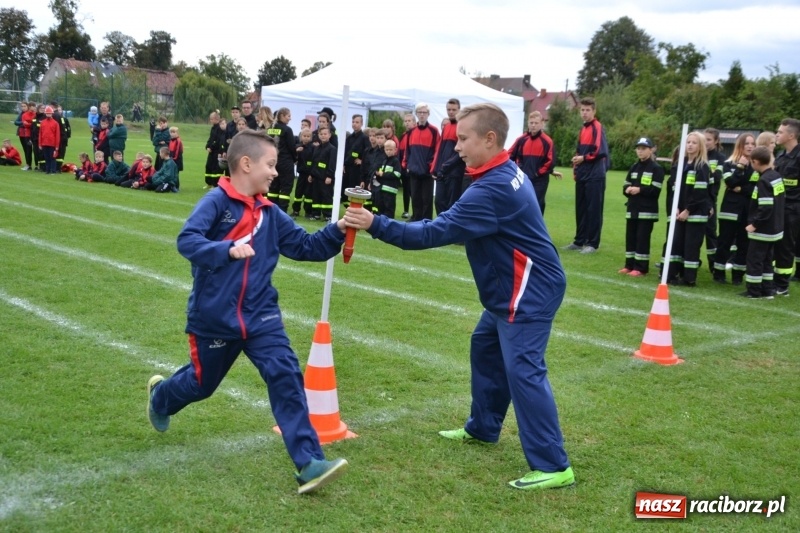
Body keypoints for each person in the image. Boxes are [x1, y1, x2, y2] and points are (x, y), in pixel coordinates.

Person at [343, 103, 574, 491]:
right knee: (485, 347)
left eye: (463, 139)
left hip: (527, 290)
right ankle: (483, 428)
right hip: (513, 289)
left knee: (524, 371)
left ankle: (553, 465)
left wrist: (375, 222)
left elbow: (432, 233)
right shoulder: (499, 170)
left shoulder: (494, 188)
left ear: (490, 139)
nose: (456, 148)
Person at [146, 129, 349, 495]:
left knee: (285, 374)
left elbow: (306, 246)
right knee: (201, 384)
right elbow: (187, 240)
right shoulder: (216, 203)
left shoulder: (270, 213)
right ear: (245, 164)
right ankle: (161, 396)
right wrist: (226, 250)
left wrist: (338, 229)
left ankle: (309, 463)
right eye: (270, 165)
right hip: (215, 318)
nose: (275, 172)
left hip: (261, 317)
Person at [666, 132, 712, 287]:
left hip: (696, 214)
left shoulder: (702, 166)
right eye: (688, 142)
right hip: (680, 212)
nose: (690, 145)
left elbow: (700, 193)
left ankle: (689, 278)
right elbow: (674, 189)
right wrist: (677, 208)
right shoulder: (681, 165)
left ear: (700, 146)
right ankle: (672, 274)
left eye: (694, 142)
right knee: (676, 243)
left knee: (691, 246)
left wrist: (688, 210)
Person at [565, 98, 608, 254]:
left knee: (594, 209)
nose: (584, 113)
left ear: (594, 111)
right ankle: (579, 240)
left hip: (595, 176)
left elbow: (600, 151)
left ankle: (592, 243)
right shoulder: (582, 130)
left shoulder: (598, 127)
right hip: (583, 175)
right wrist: (576, 166)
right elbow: (579, 151)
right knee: (581, 209)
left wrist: (583, 158)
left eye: (587, 110)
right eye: (582, 110)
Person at [742, 146, 785, 298]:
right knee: (767, 260)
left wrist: (754, 225)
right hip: (775, 228)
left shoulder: (764, 181)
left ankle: (753, 291)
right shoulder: (776, 176)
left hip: (763, 230)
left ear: (755, 162)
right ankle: (767, 290)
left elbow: (766, 208)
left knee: (755, 260)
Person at [713, 133, 756, 284]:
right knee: (725, 242)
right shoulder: (728, 164)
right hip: (730, 211)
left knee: (744, 244)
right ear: (740, 145)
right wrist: (740, 167)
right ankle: (718, 273)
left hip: (748, 211)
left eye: (752, 143)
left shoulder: (756, 165)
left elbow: (755, 188)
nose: (750, 146)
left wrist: (741, 189)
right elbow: (730, 182)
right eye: (747, 143)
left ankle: (737, 276)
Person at [619, 137, 664, 276]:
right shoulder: (634, 167)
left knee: (642, 239)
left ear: (651, 150)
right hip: (632, 209)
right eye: (638, 148)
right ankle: (629, 265)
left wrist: (639, 190)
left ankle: (641, 267)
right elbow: (626, 184)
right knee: (630, 237)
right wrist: (628, 189)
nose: (640, 151)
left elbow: (655, 190)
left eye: (643, 149)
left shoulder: (656, 169)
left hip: (647, 211)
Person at [508, 110, 562, 215]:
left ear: (542, 124)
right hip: (523, 179)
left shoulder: (547, 141)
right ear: (528, 123)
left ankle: (537, 230)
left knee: (536, 206)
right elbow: (509, 156)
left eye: (536, 123)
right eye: (531, 123)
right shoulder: (521, 139)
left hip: (539, 181)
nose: (533, 125)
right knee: (521, 205)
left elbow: (550, 161)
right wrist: (515, 170)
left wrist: (538, 173)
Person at [773, 118, 800, 296]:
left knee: (786, 247)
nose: (777, 134)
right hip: (779, 207)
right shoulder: (781, 156)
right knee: (776, 245)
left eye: (780, 132)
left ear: (791, 135)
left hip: (793, 209)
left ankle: (782, 286)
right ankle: (774, 280)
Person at [403, 103, 440, 221]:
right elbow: (407, 150)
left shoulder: (434, 131)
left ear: (428, 114)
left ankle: (426, 220)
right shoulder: (412, 131)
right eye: (420, 112)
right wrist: (407, 164)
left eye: (424, 112)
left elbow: (437, 150)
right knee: (415, 197)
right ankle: (415, 217)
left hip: (427, 171)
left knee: (427, 199)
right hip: (414, 169)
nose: (422, 115)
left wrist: (432, 167)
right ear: (417, 114)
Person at [432, 98, 467, 215]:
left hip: (455, 172)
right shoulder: (446, 127)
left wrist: (446, 165)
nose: (451, 112)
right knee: (438, 202)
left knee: (452, 204)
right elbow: (440, 149)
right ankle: (442, 226)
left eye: (453, 109)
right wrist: (436, 168)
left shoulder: (462, 127)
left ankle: (450, 229)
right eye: (448, 109)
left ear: (459, 110)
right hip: (443, 171)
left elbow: (462, 150)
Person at [266, 107, 296, 212]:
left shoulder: (270, 128)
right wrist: (295, 158)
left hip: (273, 162)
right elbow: (292, 147)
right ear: (282, 116)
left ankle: (270, 208)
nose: (290, 118)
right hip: (285, 162)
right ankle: (282, 210)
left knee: (273, 186)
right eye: (288, 116)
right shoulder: (287, 130)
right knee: (286, 187)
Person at [703, 128, 725, 272]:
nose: (705, 143)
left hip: (710, 199)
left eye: (709, 140)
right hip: (694, 199)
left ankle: (714, 265)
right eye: (704, 139)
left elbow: (717, 177)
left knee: (710, 233)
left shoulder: (720, 158)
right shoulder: (700, 155)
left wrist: (705, 173)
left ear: (716, 141)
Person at [309, 126, 337, 221]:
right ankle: (315, 214)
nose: (323, 136)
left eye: (325, 134)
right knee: (316, 195)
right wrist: (311, 174)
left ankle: (327, 215)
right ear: (318, 135)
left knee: (327, 196)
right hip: (316, 176)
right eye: (321, 134)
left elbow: (332, 164)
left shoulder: (332, 149)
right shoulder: (316, 148)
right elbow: (314, 162)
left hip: (326, 177)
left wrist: (330, 176)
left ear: (329, 135)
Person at [343, 114, 370, 198]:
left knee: (354, 192)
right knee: (345, 192)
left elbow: (368, 153)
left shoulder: (365, 138)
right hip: (347, 169)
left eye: (357, 122)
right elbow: (345, 152)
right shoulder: (349, 138)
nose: (354, 124)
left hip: (357, 170)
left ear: (361, 124)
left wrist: (362, 161)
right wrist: (343, 164)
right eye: (353, 122)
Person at [375, 140, 403, 218]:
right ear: (384, 150)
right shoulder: (384, 160)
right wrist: (378, 174)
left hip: (391, 190)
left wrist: (383, 174)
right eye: (387, 150)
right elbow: (381, 172)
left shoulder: (395, 161)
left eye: (390, 150)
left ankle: (389, 224)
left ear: (395, 150)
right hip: (382, 188)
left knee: (389, 209)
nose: (388, 151)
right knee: (381, 207)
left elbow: (397, 174)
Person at [292, 128, 314, 218]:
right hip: (301, 173)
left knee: (308, 194)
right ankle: (296, 210)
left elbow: (314, 160)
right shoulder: (298, 146)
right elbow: (294, 158)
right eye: (304, 136)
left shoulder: (313, 148)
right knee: (298, 193)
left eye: (308, 136)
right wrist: (296, 152)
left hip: (309, 174)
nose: (306, 138)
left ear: (311, 138)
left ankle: (308, 212)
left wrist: (312, 174)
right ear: (301, 137)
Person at [398, 113, 416, 219]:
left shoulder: (416, 134)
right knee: (406, 189)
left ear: (414, 122)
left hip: (412, 167)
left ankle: (416, 212)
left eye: (409, 121)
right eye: (405, 121)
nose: (407, 123)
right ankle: (405, 210)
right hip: (404, 167)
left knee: (413, 191)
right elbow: (401, 152)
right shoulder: (404, 135)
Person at [205, 111, 227, 188]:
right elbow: (211, 138)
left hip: (216, 151)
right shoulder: (213, 128)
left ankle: (215, 184)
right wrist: (207, 146)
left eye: (211, 119)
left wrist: (211, 147)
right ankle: (209, 183)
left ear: (216, 119)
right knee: (208, 166)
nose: (210, 121)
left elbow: (217, 140)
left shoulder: (219, 128)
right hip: (211, 151)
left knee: (215, 168)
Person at [39, 105, 61, 175]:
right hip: (44, 143)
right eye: (47, 113)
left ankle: (53, 170)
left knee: (52, 157)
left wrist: (57, 146)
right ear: (45, 114)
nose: (48, 114)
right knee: (46, 157)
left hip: (52, 144)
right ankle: (48, 170)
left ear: (52, 114)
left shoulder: (55, 123)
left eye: (49, 113)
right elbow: (40, 134)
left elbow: (57, 135)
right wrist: (40, 144)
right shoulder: (42, 122)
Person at [15, 103, 33, 170]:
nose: (23, 108)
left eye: (24, 106)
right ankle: (28, 164)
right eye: (22, 106)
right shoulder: (21, 114)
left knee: (29, 149)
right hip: (22, 133)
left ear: (28, 106)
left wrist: (27, 124)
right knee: (25, 149)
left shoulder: (30, 113)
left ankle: (32, 165)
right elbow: (16, 122)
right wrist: (23, 123)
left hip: (29, 134)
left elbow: (32, 123)